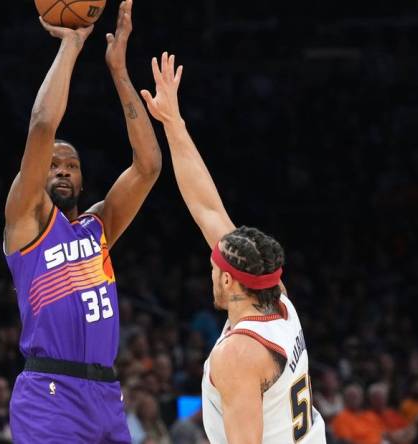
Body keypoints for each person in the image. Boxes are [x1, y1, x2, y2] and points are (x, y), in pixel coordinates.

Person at [141, 52, 326, 443]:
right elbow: (207, 207)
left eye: (212, 266)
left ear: (227, 280)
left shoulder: (238, 356)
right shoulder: (279, 304)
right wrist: (173, 123)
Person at [2, 0, 161, 442]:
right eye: (53, 165)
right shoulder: (26, 222)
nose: (62, 170)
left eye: (70, 165)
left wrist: (118, 70)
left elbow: (148, 166)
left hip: (106, 394)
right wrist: (71, 45)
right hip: (49, 394)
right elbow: (41, 124)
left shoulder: (98, 228)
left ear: (82, 177)